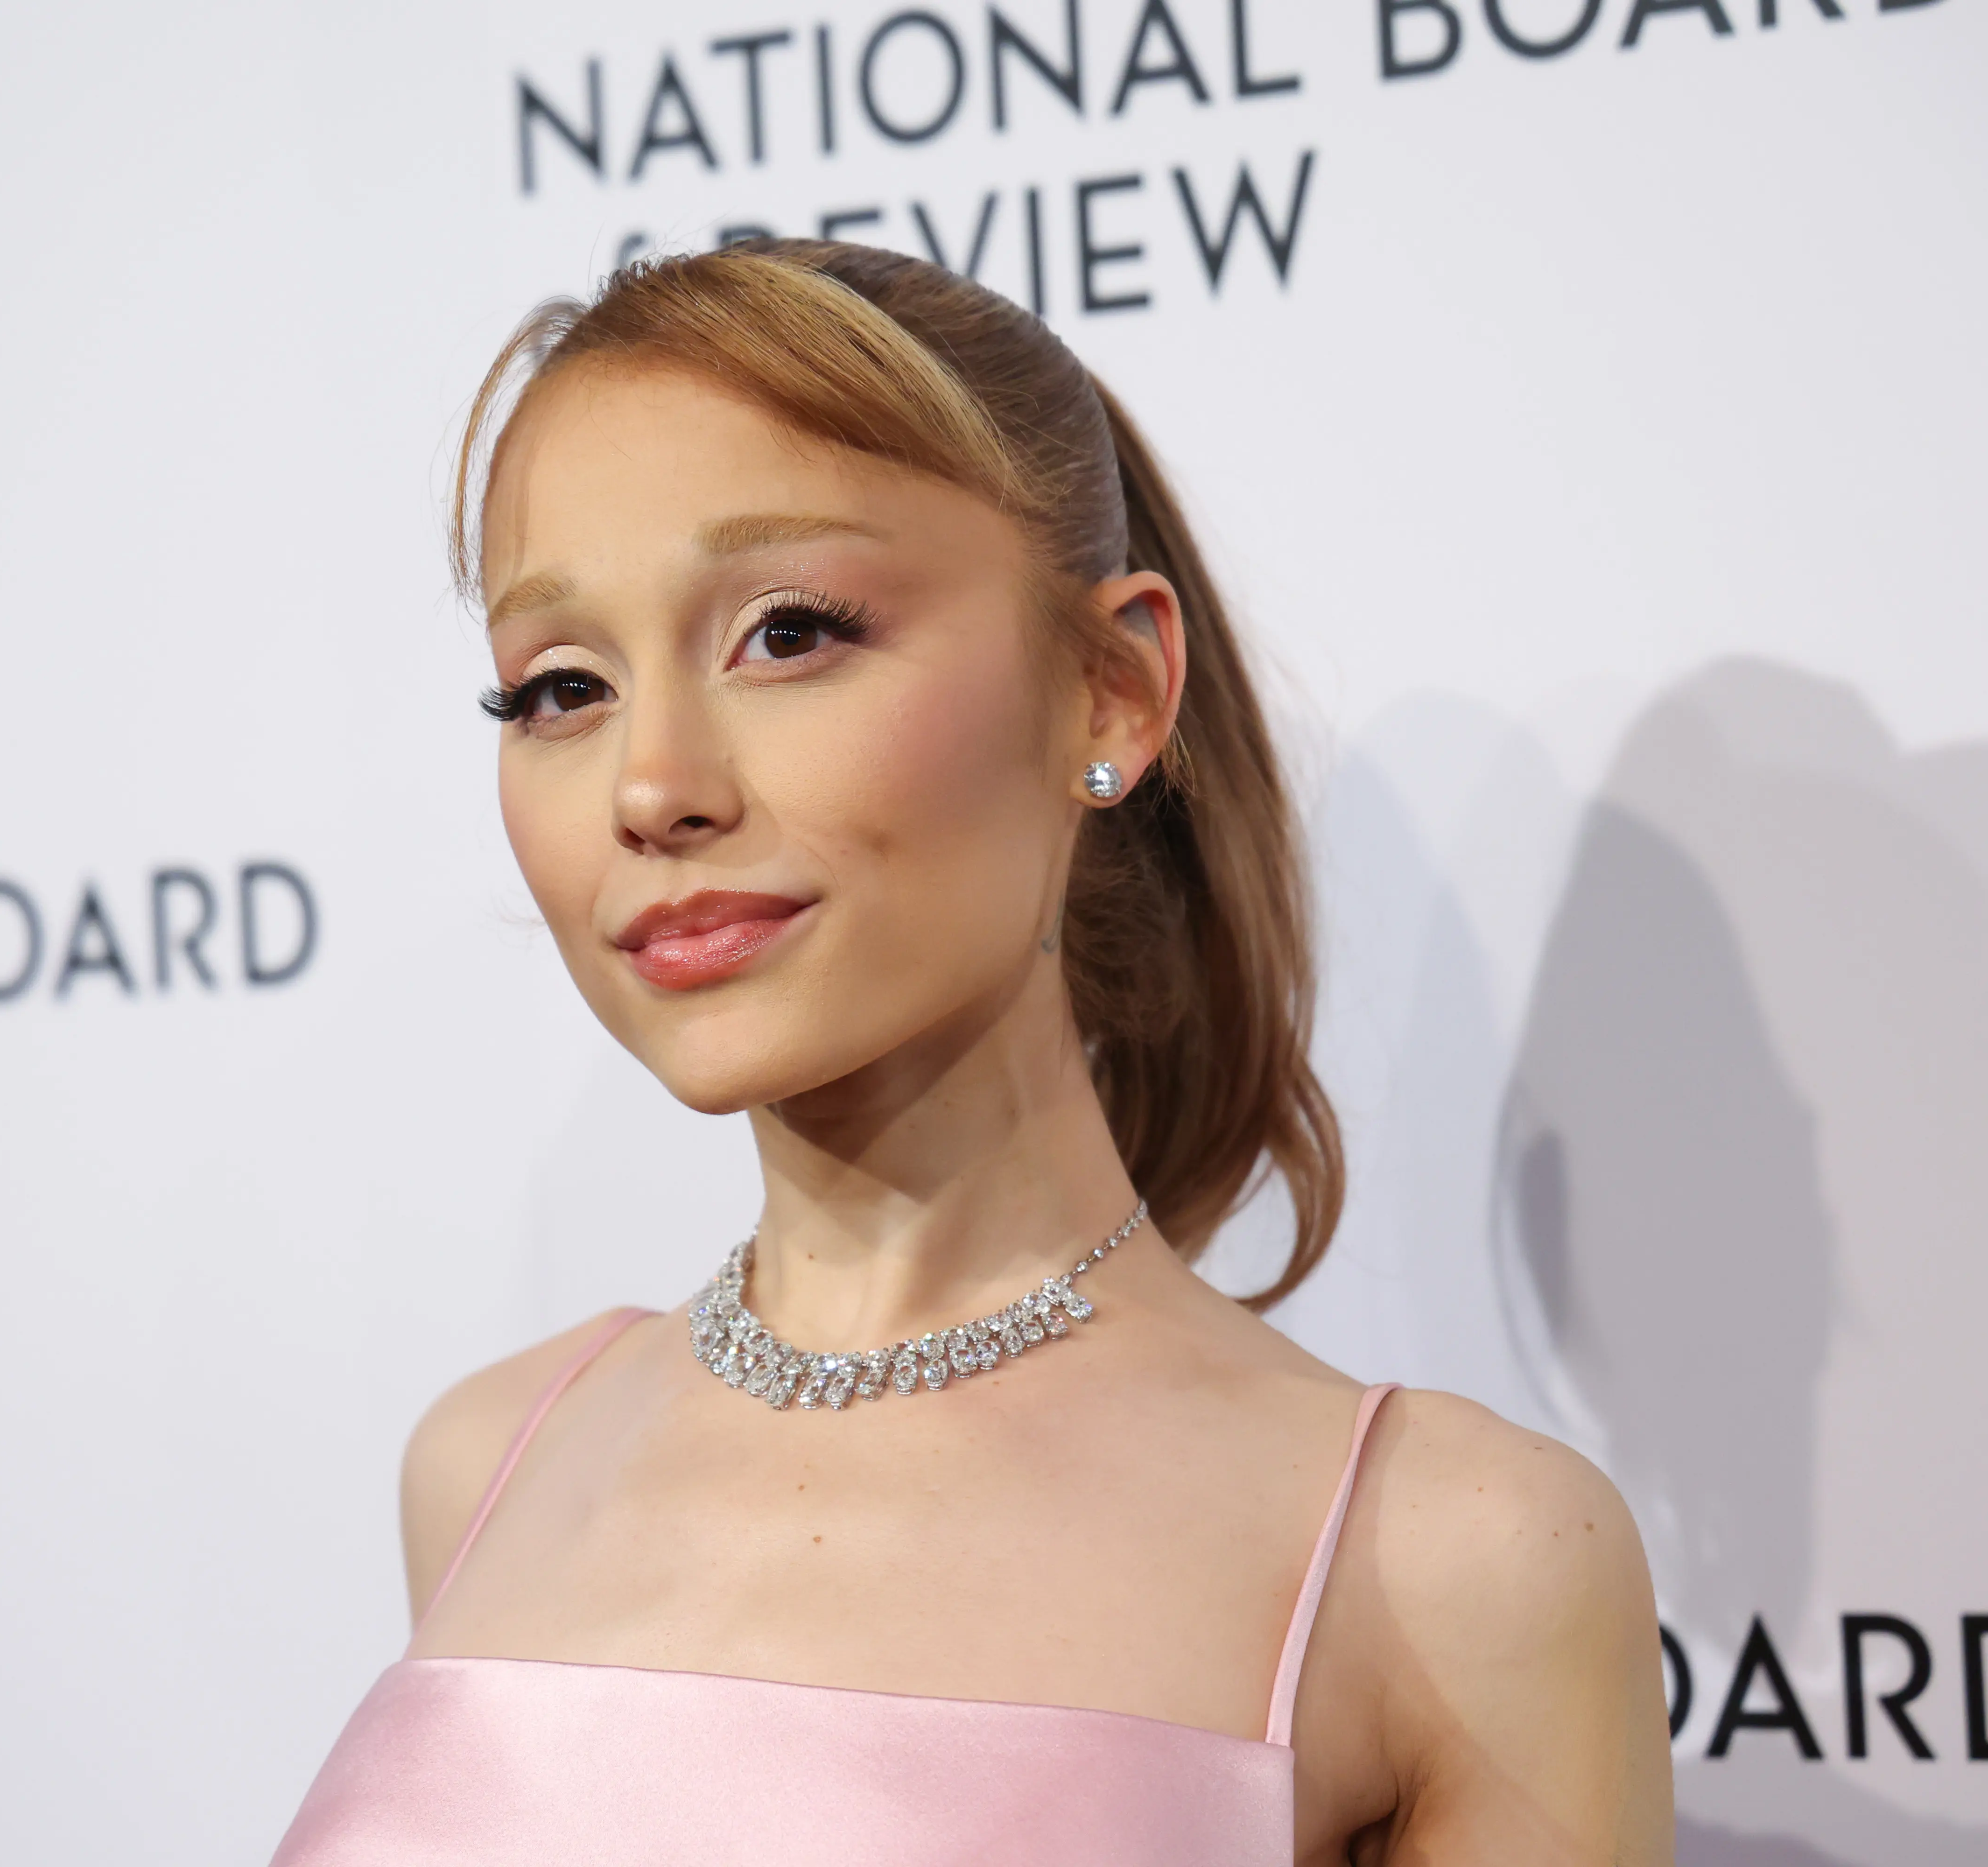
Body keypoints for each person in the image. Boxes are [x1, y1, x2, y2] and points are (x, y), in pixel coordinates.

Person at [271, 239, 1673, 1865]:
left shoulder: (1446, 1563)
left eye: (788, 633)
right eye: (560, 688)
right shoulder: (486, 1464)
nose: (653, 786)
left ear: (1111, 688)